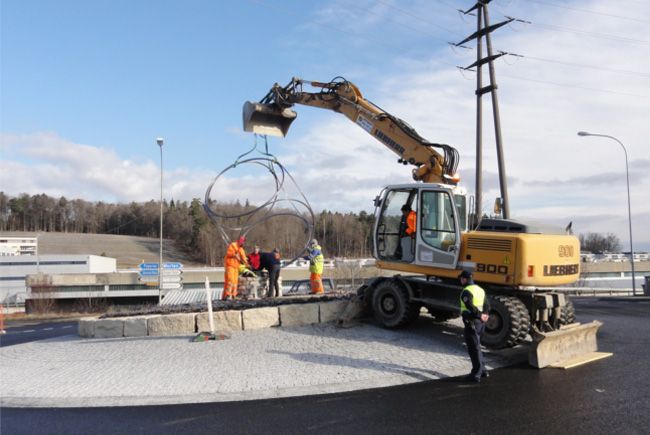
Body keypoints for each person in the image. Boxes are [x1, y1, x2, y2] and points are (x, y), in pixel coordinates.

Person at [458, 270, 491, 382]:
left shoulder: (466, 291)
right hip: (481, 324)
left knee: (473, 348)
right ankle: (483, 371)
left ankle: (475, 374)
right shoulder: (480, 290)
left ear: (465, 279)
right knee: (477, 347)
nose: (460, 280)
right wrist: (485, 315)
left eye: (461, 278)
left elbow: (470, 306)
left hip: (471, 322)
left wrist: (480, 315)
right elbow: (487, 304)